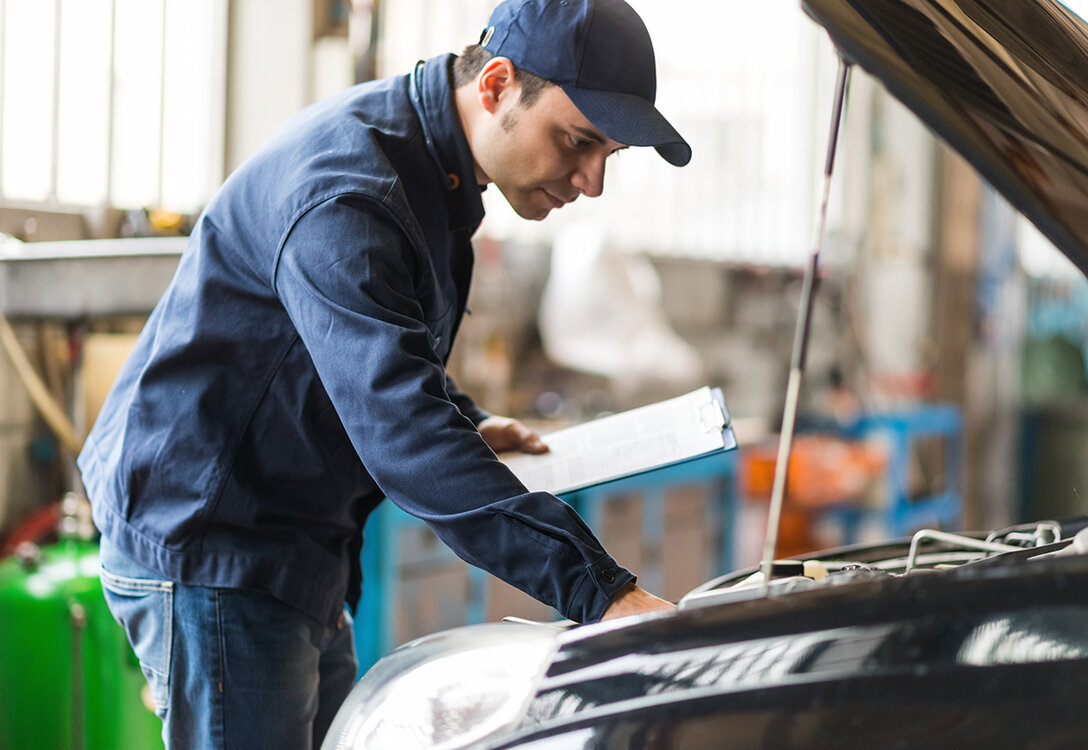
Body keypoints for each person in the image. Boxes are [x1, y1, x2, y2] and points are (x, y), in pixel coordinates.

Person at [79, 0, 690, 747]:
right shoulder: (354, 191)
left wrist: (463, 420)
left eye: (610, 157)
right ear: (496, 85)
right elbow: (401, 431)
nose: (591, 181)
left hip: (292, 542)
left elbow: (373, 347)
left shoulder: (437, 173)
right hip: (215, 540)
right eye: (577, 140)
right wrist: (606, 595)